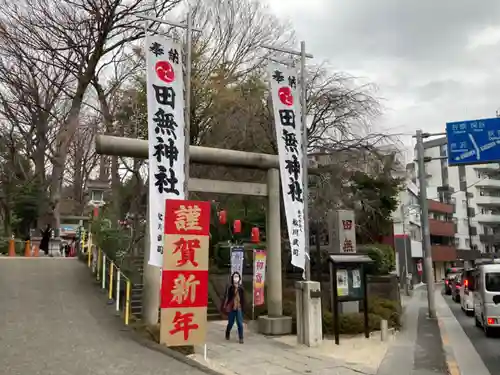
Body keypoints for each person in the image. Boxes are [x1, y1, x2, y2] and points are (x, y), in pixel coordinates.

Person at [222, 271, 245, 344]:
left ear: (239, 278)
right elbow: (228, 297)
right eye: (235, 277)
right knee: (231, 323)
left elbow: (243, 298)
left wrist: (243, 307)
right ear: (232, 278)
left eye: (237, 277)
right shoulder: (230, 287)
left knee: (240, 324)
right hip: (232, 308)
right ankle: (227, 333)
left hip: (238, 308)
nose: (236, 278)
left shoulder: (241, 288)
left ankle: (241, 338)